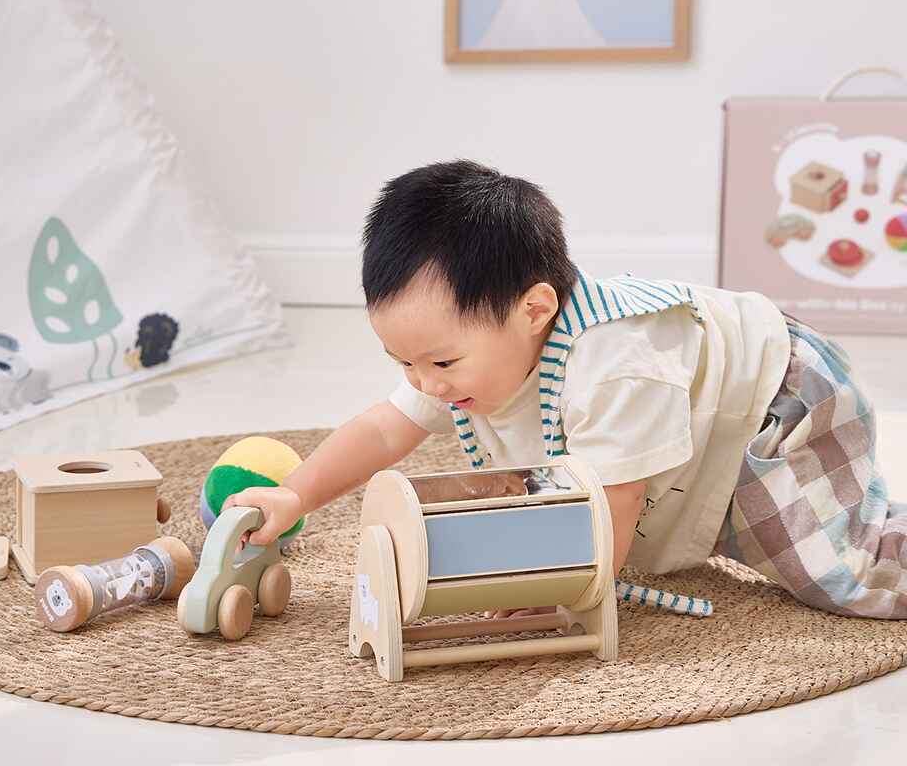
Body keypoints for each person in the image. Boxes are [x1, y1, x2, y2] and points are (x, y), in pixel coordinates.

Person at [225, 160, 906, 620]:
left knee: (843, 573)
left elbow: (613, 502)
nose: (425, 383)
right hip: (698, 417)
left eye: (440, 362)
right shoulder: (459, 355)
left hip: (775, 400)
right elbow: (383, 429)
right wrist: (297, 493)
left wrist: (561, 590)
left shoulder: (615, 368)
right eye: (403, 362)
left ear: (534, 309)